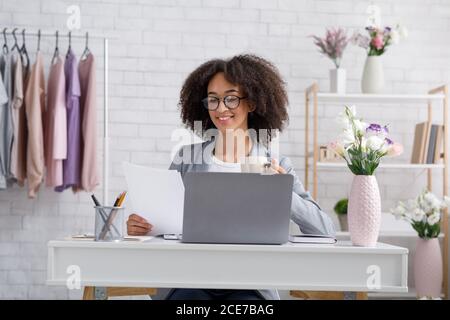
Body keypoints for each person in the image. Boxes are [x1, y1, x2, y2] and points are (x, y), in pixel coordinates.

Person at [127, 54, 335, 300]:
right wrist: (141, 229)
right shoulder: (187, 159)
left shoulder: (277, 165)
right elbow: (164, 227)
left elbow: (325, 230)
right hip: (189, 283)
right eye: (213, 100)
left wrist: (282, 192)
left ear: (253, 103)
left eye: (231, 99)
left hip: (250, 287)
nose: (221, 108)